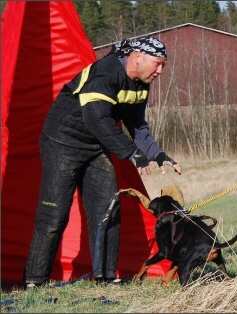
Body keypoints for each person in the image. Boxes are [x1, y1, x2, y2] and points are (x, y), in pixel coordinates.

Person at [24, 36, 182, 288]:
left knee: (108, 211)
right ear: (138, 56)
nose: (160, 71)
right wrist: (131, 153)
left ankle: (106, 277)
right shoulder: (106, 73)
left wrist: (158, 154)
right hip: (62, 143)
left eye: (164, 66)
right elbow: (96, 119)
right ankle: (34, 281)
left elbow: (138, 126)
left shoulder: (141, 84)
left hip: (97, 147)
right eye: (157, 64)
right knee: (54, 215)